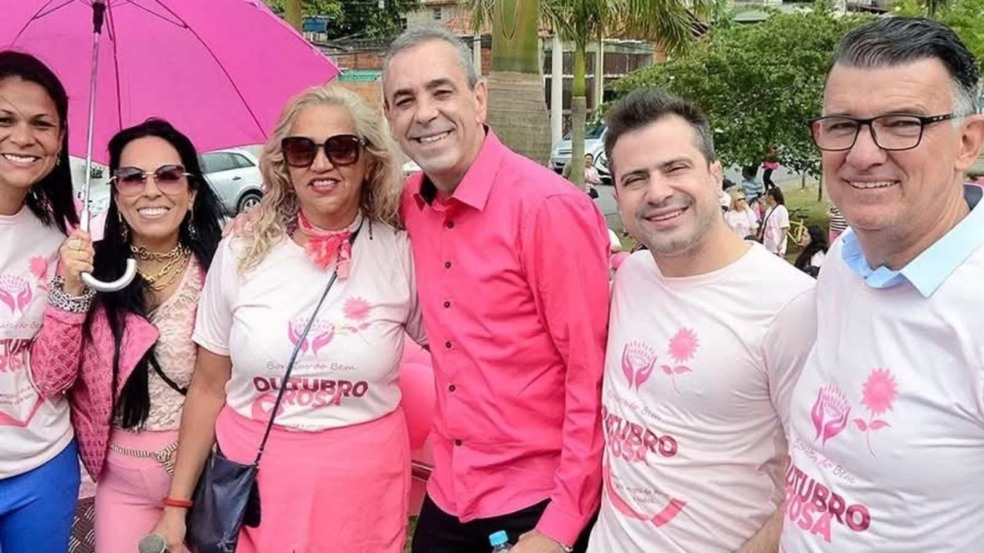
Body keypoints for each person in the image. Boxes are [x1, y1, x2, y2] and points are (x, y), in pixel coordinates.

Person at [153, 84, 427, 553]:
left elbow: (460, 352)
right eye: (303, 150)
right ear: (285, 164)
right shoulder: (240, 250)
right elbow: (208, 385)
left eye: (341, 148)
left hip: (363, 489)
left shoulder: (401, 252)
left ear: (368, 162)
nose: (322, 164)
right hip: (255, 486)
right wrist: (176, 507)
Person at [383, 28, 610, 553]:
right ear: (391, 120)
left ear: (478, 97)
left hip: (536, 504)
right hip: (449, 492)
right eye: (405, 100)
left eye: (442, 92)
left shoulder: (547, 209)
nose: (424, 113)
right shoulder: (409, 206)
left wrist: (561, 523)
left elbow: (590, 374)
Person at [782, 18, 984, 552]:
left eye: (902, 124)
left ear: (968, 141)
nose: (864, 153)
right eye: (843, 125)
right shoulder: (844, 266)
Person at [586, 88, 816, 553]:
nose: (657, 192)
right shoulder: (631, 275)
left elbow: (819, 479)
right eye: (635, 178)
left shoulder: (791, 305)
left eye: (675, 168)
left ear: (714, 174)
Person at [30, 119, 223, 552]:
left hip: (206, 478)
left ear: (192, 192)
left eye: (169, 175)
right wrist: (70, 289)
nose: (150, 190)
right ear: (117, 194)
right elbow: (51, 379)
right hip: (119, 484)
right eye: (132, 177)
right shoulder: (90, 270)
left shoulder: (222, 270)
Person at [0, 50, 81, 553]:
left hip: (41, 466)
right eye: (4, 119)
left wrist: (71, 290)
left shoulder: (63, 241)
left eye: (41, 123)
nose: (23, 138)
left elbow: (53, 377)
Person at [760, 187, 789, 256]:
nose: (765, 197)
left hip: (776, 244)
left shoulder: (781, 210)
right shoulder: (769, 209)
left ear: (771, 197)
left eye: (766, 195)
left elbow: (784, 228)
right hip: (768, 244)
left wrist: (780, 243)